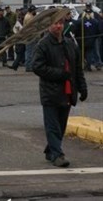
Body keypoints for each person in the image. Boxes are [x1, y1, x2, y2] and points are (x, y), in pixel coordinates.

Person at [32, 9, 87, 168]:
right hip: (50, 93)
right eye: (55, 23)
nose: (58, 26)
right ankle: (58, 155)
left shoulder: (70, 44)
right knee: (52, 126)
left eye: (60, 23)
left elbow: (77, 68)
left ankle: (51, 151)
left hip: (67, 93)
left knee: (61, 126)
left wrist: (82, 88)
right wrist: (60, 74)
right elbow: (37, 66)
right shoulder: (43, 45)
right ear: (49, 26)